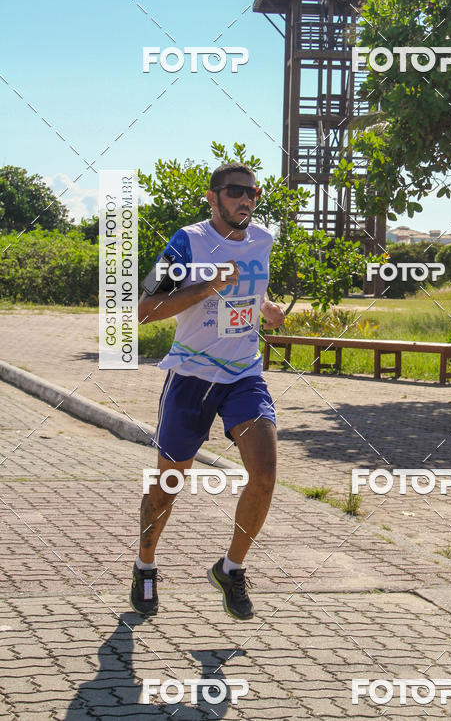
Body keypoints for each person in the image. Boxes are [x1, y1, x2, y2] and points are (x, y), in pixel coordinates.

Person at [130, 162, 285, 620]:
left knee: (265, 473)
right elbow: (145, 308)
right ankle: (145, 565)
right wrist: (207, 285)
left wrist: (268, 309)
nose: (246, 200)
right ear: (212, 197)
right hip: (192, 377)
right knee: (167, 486)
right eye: (235, 191)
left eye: (252, 192)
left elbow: (254, 295)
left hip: (243, 375)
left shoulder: (263, 239)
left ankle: (231, 568)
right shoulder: (187, 241)